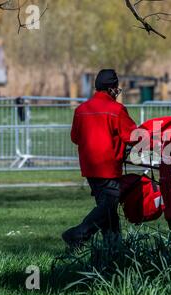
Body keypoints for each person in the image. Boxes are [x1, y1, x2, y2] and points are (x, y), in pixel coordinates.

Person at [62, 69, 137, 248]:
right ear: (112, 88)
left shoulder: (81, 110)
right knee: (108, 207)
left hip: (89, 168)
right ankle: (77, 234)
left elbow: (75, 137)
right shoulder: (116, 110)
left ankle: (113, 248)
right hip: (108, 167)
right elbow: (133, 136)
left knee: (108, 212)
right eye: (116, 88)